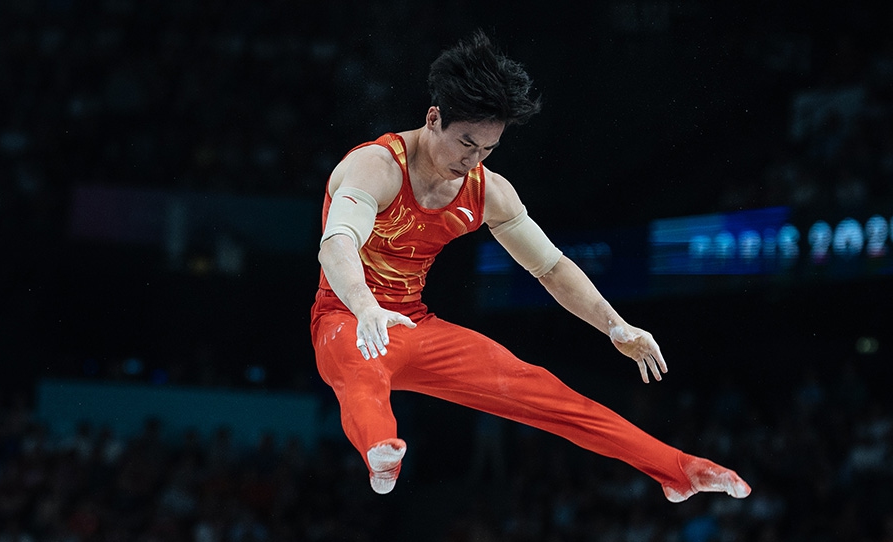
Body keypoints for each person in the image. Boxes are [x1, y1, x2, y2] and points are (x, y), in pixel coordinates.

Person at [311, 30, 751, 502]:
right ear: (433, 118)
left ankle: (677, 470)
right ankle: (381, 450)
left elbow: (552, 268)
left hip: (415, 326)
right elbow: (337, 244)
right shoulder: (376, 166)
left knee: (542, 391)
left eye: (487, 149)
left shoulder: (488, 192)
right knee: (362, 369)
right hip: (344, 316)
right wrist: (366, 308)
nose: (472, 160)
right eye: (465, 143)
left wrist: (614, 325)